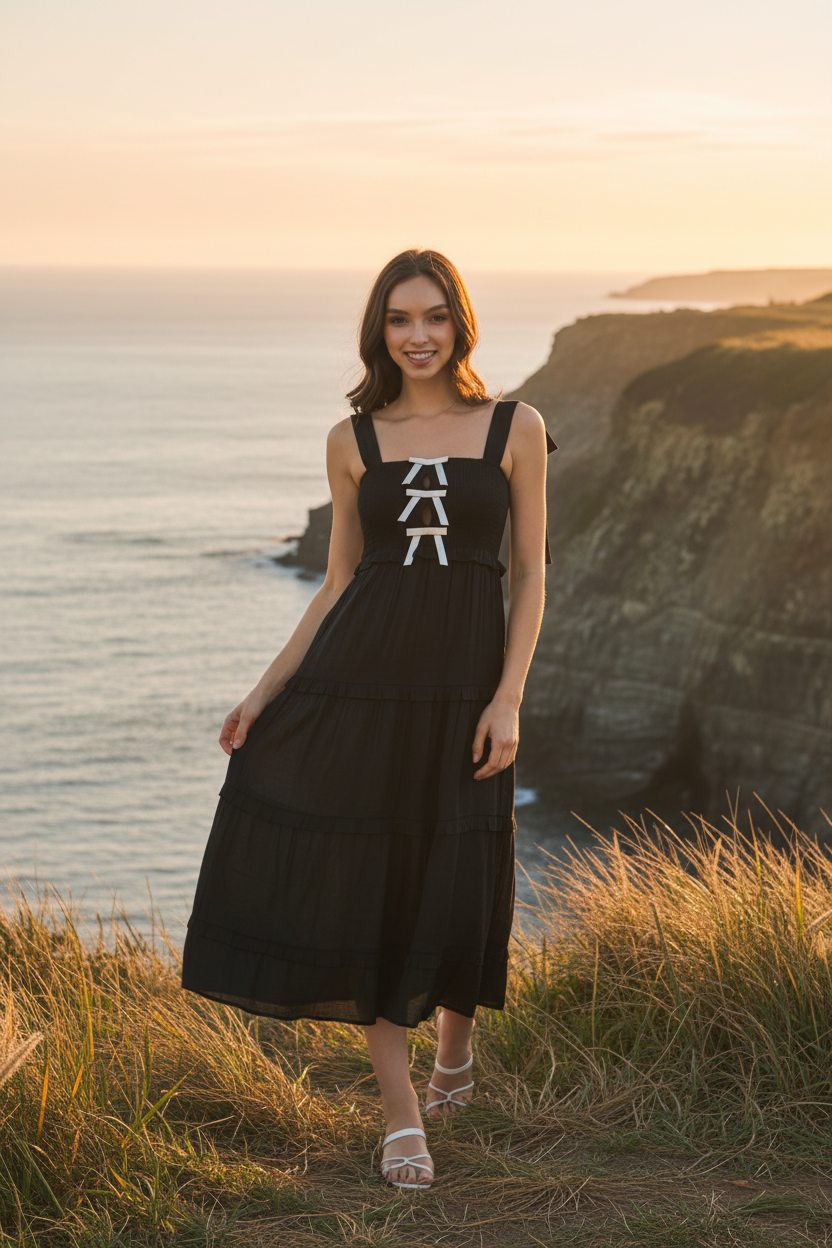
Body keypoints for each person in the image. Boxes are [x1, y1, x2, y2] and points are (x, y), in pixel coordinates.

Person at [182, 248, 554, 1189]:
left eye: (433, 316)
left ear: (459, 323)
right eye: (399, 319)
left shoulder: (516, 427)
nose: (417, 335)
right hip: (362, 688)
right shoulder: (353, 440)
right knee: (374, 889)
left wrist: (509, 697)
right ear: (377, 330)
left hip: (467, 695)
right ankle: (402, 1122)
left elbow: (534, 576)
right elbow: (339, 584)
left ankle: (455, 1058)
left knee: (464, 875)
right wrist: (263, 694)